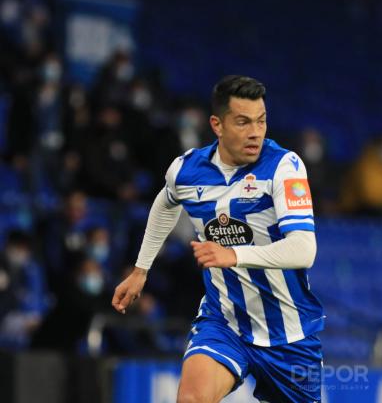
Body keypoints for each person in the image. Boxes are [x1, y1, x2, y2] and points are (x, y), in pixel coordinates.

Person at [112, 75, 324, 403]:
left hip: (290, 335)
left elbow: (304, 249)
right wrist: (141, 269)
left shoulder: (284, 166)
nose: (255, 132)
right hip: (224, 322)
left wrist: (234, 255)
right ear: (217, 125)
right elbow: (165, 202)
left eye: (261, 121)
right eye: (242, 122)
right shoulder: (186, 170)